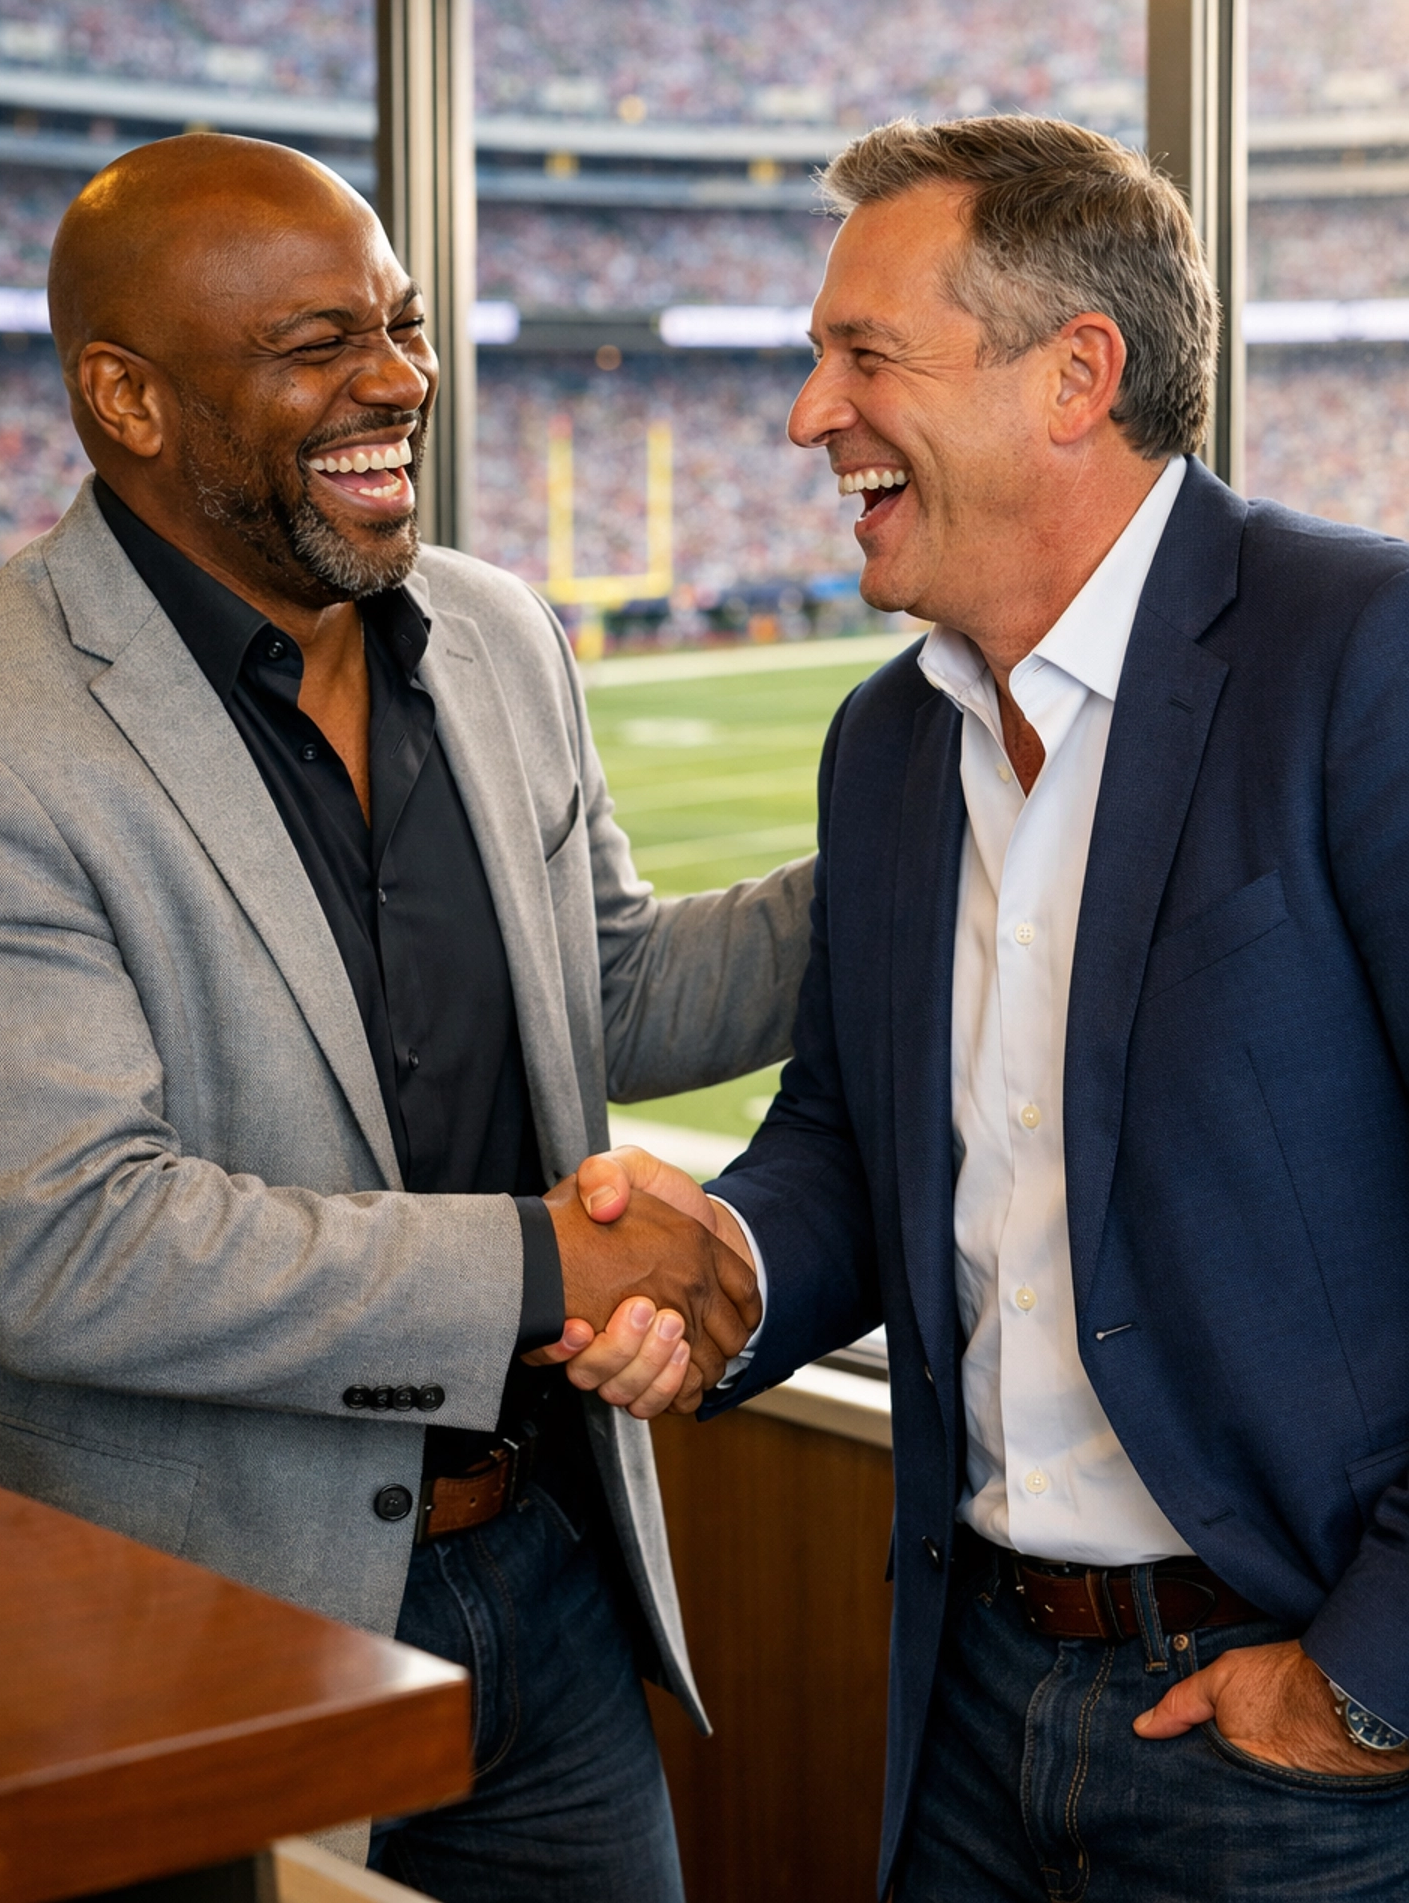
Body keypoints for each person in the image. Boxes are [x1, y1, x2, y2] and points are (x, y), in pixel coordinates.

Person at [0, 134, 812, 1903]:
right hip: (199, 1623)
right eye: (318, 344)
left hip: (547, 1565)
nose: (400, 380)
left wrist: (939, 844)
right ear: (127, 399)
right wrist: (545, 1269)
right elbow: (70, 1246)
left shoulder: (494, 630)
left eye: (401, 321)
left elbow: (603, 989)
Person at [567, 116, 1409, 1900]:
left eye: (863, 355)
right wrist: (725, 1266)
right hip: (973, 1695)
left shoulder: (1361, 654)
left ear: (1074, 376)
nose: (809, 413)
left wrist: (1368, 1687)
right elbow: (850, 1142)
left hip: (1294, 1746)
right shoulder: (887, 744)